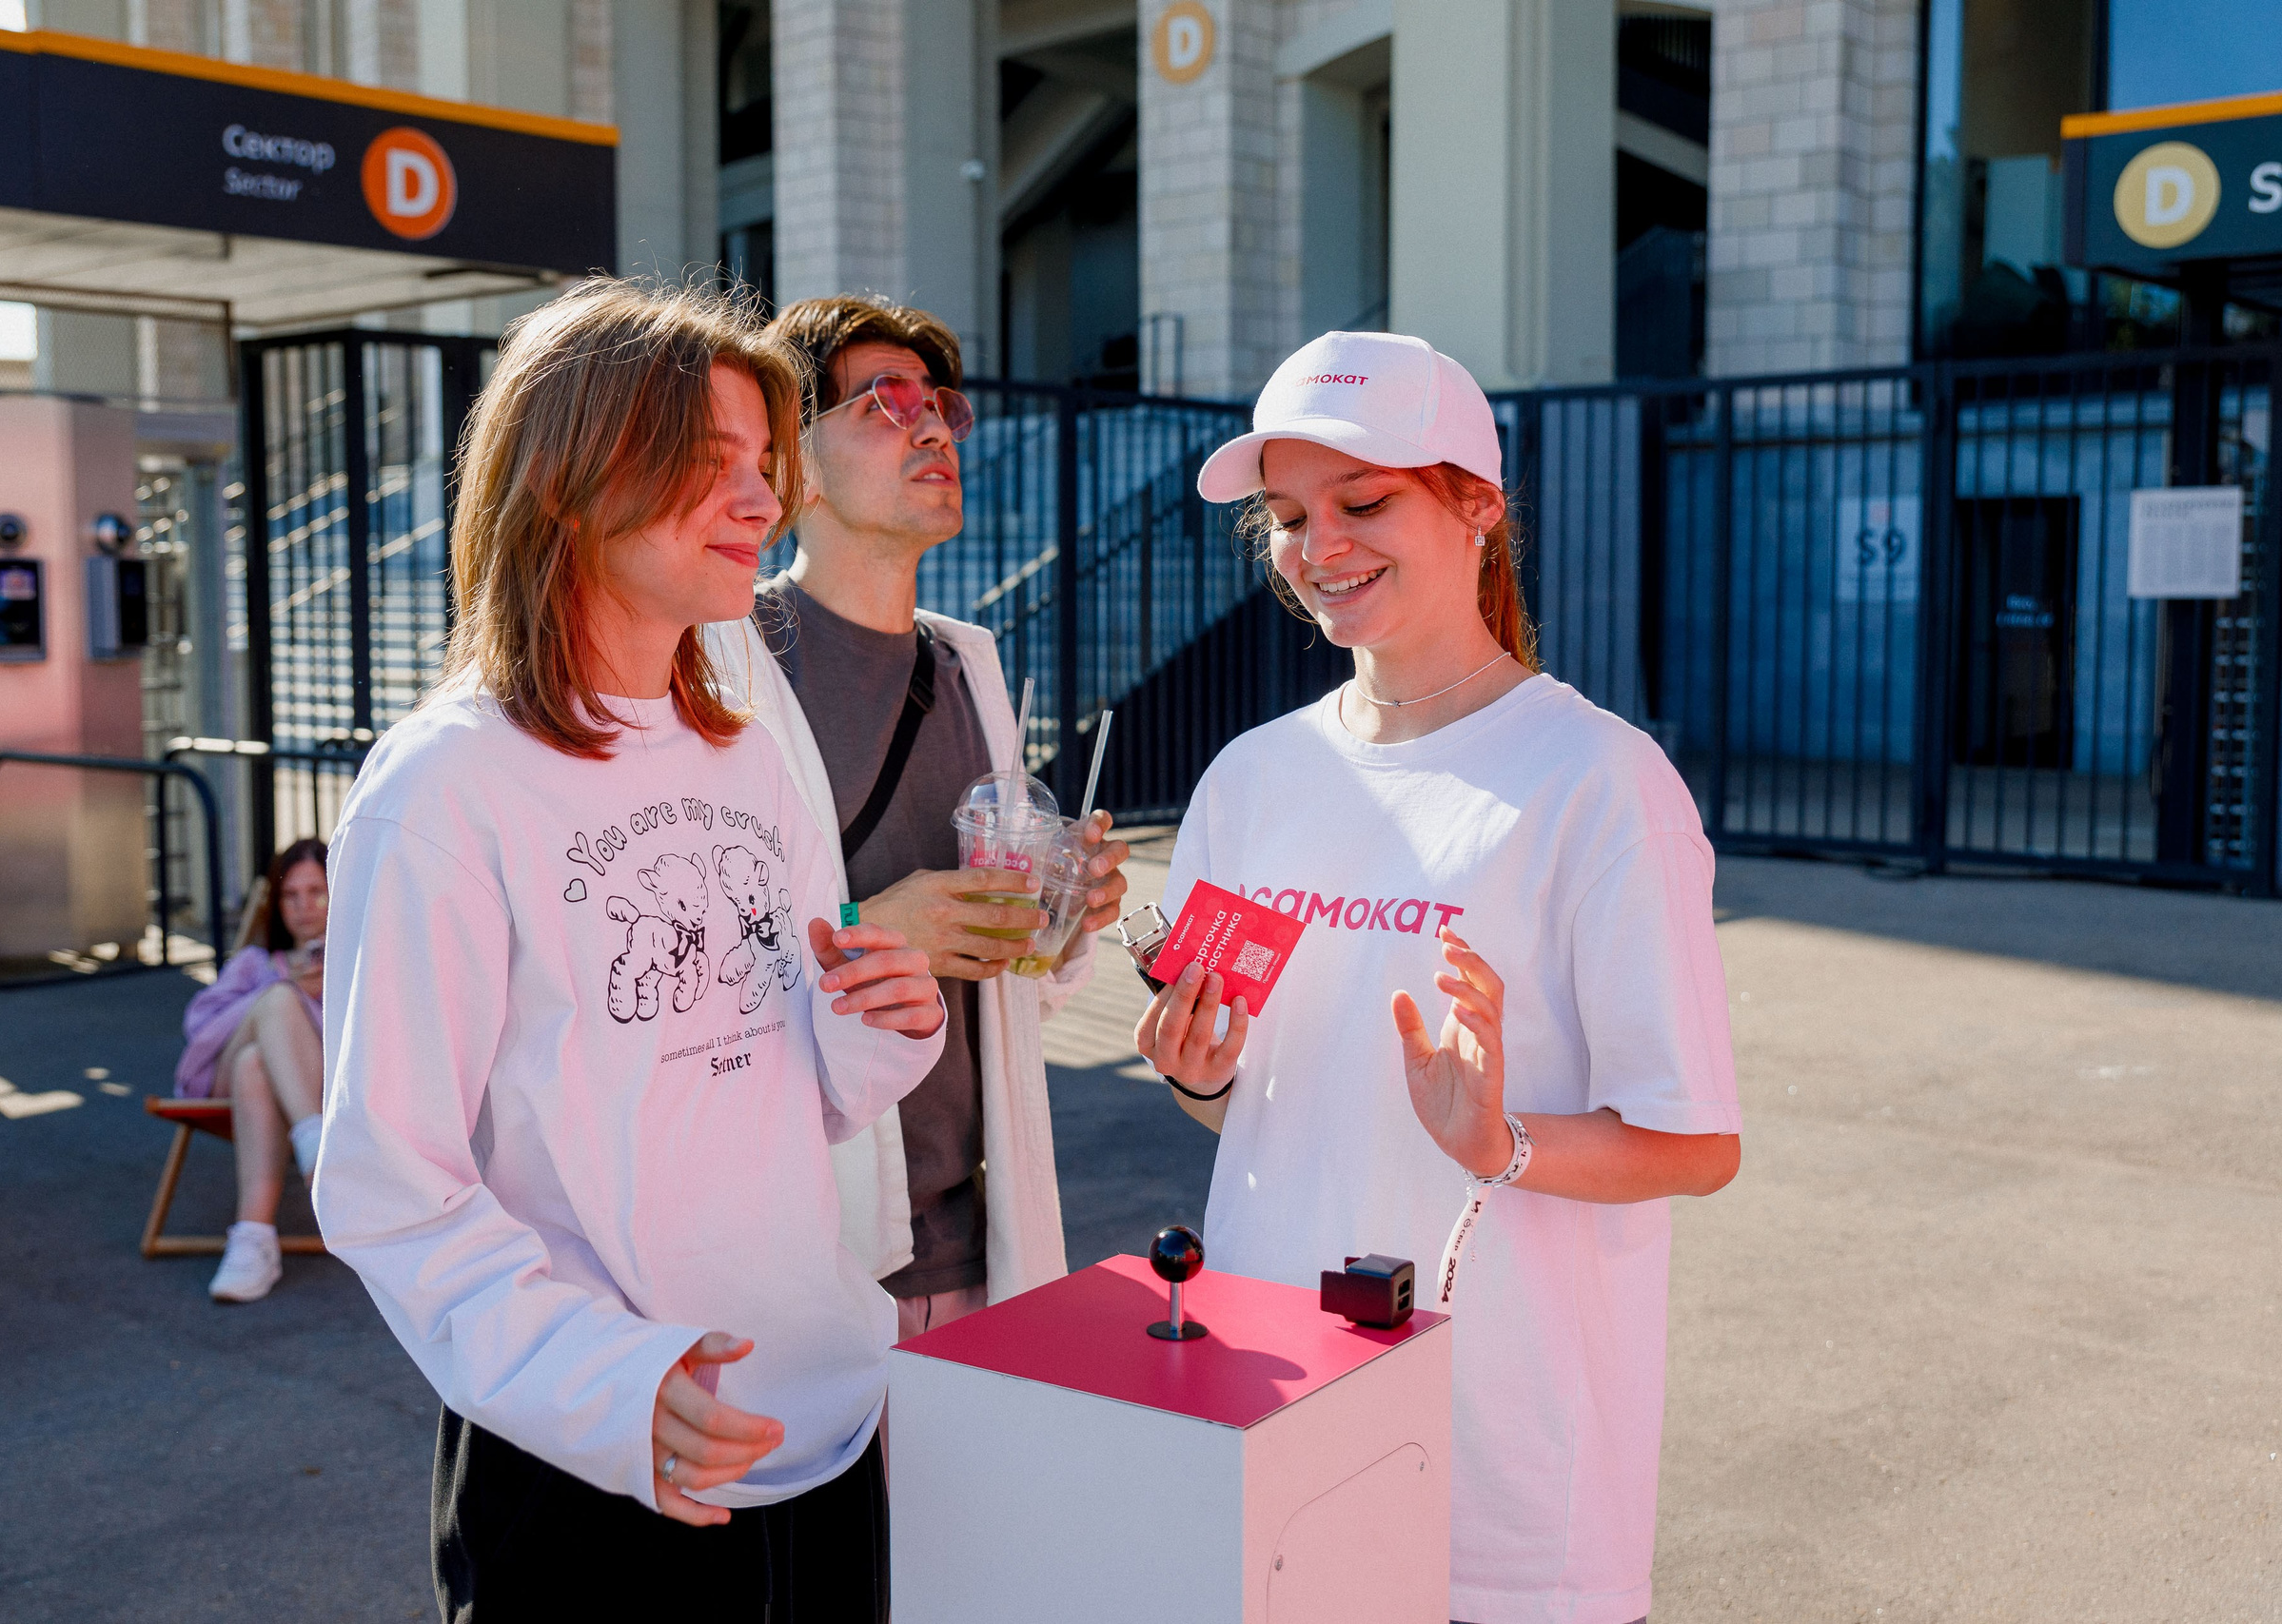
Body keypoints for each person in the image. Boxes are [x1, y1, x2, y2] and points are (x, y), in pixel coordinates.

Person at [312, 280, 947, 1620]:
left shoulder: (745, 748)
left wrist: (876, 1025)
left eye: (762, 463)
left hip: (821, 1419)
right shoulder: (446, 785)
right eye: (709, 462)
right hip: (593, 1460)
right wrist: (602, 1381)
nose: (763, 500)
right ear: (566, 480)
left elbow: (783, 1082)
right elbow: (388, 1178)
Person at [1135, 330, 1743, 1624]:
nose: (1320, 544)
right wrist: (1205, 1071)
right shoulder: (1252, 776)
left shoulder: (1599, 780)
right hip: (1272, 1406)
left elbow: (1694, 1141)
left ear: (1478, 504)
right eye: (1291, 514)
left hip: (1504, 1458)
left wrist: (1504, 1139)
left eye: (1366, 501)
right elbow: (1232, 1104)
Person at [703, 294, 1130, 1337]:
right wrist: (877, 932)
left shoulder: (966, 663)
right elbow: (679, 981)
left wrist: (1059, 918)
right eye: (884, 402)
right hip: (807, 1260)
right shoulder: (718, 666)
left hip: (983, 1238)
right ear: (789, 461)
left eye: (938, 401)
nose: (931, 424)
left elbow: (1017, 982)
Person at [175, 837, 330, 1304]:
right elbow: (199, 1034)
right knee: (277, 1003)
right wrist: (278, 990)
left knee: (255, 1065)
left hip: (314, 1087)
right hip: (215, 1079)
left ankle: (253, 1239)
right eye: (290, 895)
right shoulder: (255, 964)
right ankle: (317, 1151)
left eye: (317, 892)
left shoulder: (360, 962)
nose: (302, 907)